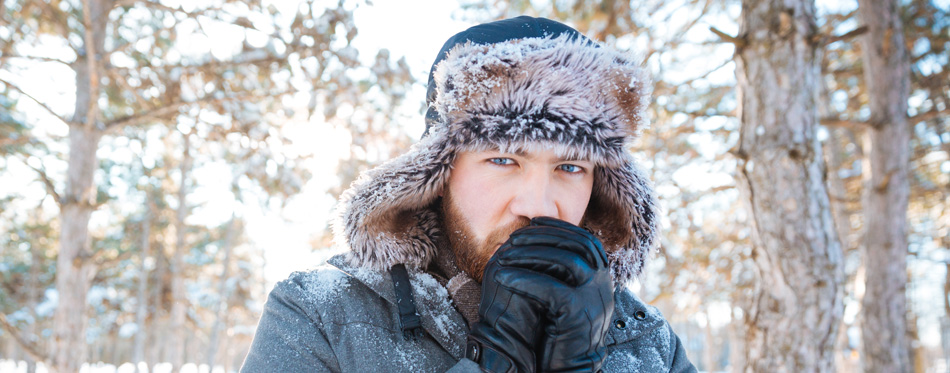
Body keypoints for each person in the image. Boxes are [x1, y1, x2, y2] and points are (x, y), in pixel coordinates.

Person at [241, 16, 696, 372]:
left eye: (570, 167)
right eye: (503, 160)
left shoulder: (647, 342)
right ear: (439, 171)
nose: (537, 206)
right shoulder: (321, 313)